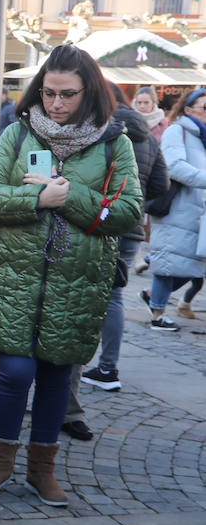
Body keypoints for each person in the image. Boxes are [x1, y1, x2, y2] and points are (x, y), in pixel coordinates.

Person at [0, 44, 141, 507]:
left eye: (67, 94)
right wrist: (35, 202)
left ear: (89, 93)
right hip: (17, 277)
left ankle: (42, 469)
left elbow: (128, 213)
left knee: (57, 374)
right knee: (14, 371)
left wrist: (71, 197)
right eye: (48, 93)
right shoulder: (19, 135)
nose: (56, 104)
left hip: (76, 282)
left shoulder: (113, 143)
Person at [79, 98, 164, 394]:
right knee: (114, 295)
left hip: (99, 223)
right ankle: (108, 365)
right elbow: (160, 185)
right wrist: (138, 207)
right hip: (132, 226)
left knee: (82, 290)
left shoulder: (106, 137)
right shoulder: (150, 139)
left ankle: (76, 363)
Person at [144, 86, 206, 332]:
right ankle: (158, 312)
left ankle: (151, 295)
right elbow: (175, 166)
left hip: (198, 211)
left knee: (194, 266)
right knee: (169, 262)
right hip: (177, 207)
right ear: (189, 109)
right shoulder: (178, 131)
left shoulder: (203, 135)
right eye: (205, 107)